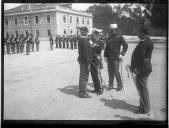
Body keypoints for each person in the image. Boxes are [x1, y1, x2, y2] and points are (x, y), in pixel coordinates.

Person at [130, 27, 153, 114]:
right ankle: (143, 106)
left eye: (138, 33)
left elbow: (141, 58)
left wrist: (136, 68)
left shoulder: (145, 43)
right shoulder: (145, 40)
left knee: (143, 89)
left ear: (142, 33)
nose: (137, 34)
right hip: (143, 67)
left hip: (142, 69)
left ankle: (145, 108)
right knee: (141, 88)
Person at [104, 24, 128, 91]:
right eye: (110, 30)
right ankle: (110, 85)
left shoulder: (120, 37)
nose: (111, 32)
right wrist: (105, 56)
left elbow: (126, 46)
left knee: (116, 72)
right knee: (110, 72)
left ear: (116, 30)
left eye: (112, 30)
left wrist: (121, 54)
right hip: (109, 57)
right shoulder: (108, 37)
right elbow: (106, 48)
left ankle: (119, 85)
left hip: (116, 58)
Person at [88, 28, 104, 95]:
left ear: (97, 35)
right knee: (93, 75)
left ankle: (100, 89)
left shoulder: (101, 41)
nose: (92, 36)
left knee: (98, 74)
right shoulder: (91, 41)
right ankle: (96, 88)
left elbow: (99, 49)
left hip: (97, 60)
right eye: (92, 35)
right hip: (91, 60)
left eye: (94, 35)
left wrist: (93, 46)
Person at [78, 27, 92, 98]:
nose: (87, 33)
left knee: (82, 76)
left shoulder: (81, 39)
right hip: (85, 61)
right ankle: (82, 93)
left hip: (82, 60)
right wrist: (88, 63)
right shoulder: (85, 40)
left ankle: (83, 91)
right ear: (83, 32)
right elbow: (86, 54)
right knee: (84, 77)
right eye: (86, 31)